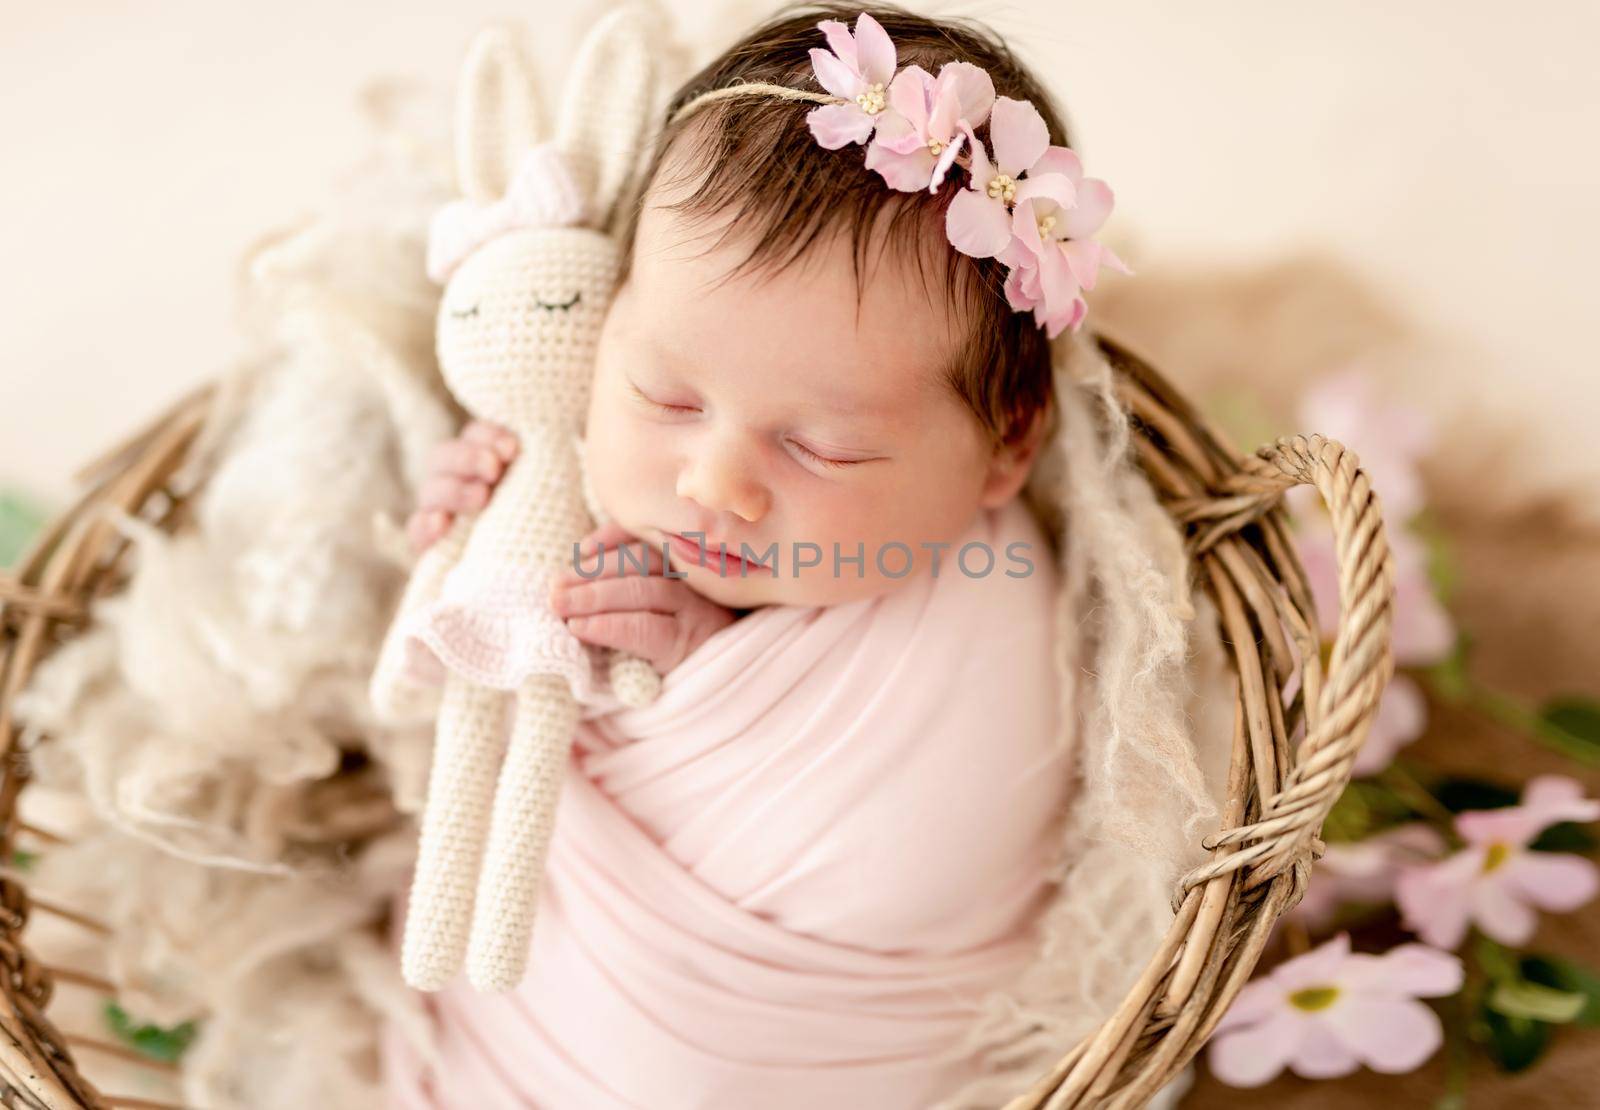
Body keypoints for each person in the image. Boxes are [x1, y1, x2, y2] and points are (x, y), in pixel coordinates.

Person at [384, 4, 1222, 1107]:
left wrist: (685, 667)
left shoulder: (991, 622)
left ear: (1008, 442)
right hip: (515, 1031)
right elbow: (435, 727)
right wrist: (457, 544)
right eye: (663, 394)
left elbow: (911, 863)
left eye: (822, 446)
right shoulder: (580, 468)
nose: (712, 484)